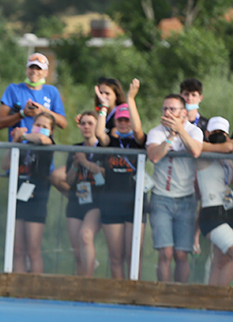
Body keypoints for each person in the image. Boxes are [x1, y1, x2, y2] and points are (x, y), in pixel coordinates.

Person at [146, 94, 204, 282]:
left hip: (186, 198)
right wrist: (171, 136)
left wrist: (180, 130)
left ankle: (180, 295)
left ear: (183, 113)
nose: (167, 112)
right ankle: (163, 295)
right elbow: (154, 156)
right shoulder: (156, 132)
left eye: (172, 109)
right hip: (161, 198)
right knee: (166, 253)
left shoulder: (194, 131)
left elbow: (195, 150)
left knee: (181, 254)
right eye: (165, 109)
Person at [95, 79, 147, 279]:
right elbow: (99, 133)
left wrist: (131, 99)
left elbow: (138, 131)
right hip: (111, 200)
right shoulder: (111, 141)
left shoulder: (138, 141)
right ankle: (118, 293)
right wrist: (104, 107)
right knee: (116, 257)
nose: (124, 123)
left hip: (135, 201)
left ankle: (134, 293)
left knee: (133, 256)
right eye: (120, 120)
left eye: (127, 120)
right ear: (115, 122)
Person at [2, 112, 56, 273]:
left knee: (33, 250)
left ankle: (35, 286)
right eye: (38, 125)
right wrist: (16, 141)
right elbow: (5, 165)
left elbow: (43, 139)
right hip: (19, 198)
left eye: (45, 126)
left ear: (51, 131)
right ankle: (19, 286)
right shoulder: (24, 145)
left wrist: (23, 134)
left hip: (37, 200)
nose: (40, 128)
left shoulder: (48, 143)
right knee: (18, 249)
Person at [196, 116, 233, 287]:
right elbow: (227, 147)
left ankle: (210, 298)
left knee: (220, 261)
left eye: (222, 133)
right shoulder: (202, 151)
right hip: (212, 212)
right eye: (214, 132)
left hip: (228, 210)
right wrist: (229, 145)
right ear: (207, 134)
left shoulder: (226, 158)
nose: (218, 136)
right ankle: (219, 296)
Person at [65, 111, 105, 277]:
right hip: (76, 200)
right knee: (77, 251)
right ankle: (79, 285)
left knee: (85, 236)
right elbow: (68, 180)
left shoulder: (104, 148)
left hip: (97, 202)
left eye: (90, 123)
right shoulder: (75, 148)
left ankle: (88, 282)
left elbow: (105, 174)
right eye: (83, 123)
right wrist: (76, 164)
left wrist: (85, 162)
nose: (86, 127)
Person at [0, 52, 67, 141]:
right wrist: (22, 114)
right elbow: (0, 123)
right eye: (31, 67)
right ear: (26, 69)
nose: (34, 71)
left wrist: (43, 111)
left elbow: (63, 124)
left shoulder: (52, 91)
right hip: (19, 145)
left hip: (42, 146)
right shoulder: (13, 89)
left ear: (46, 73)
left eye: (39, 69)